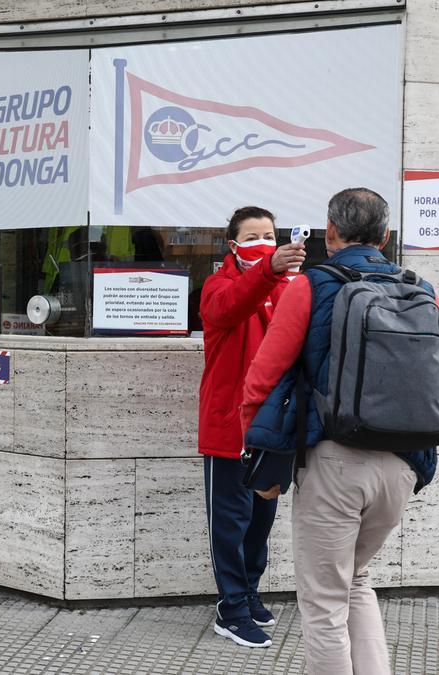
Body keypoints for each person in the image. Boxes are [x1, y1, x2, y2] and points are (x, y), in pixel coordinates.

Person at [240, 188, 439, 674]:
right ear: (386, 237)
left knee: (324, 601)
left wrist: (259, 458)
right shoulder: (421, 289)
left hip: (335, 464)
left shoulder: (311, 286)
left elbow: (262, 378)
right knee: (356, 581)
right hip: (401, 465)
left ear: (330, 231)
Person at [197, 206, 305, 648]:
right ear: (233, 244)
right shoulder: (218, 286)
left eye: (270, 234)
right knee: (230, 522)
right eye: (254, 235)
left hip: (273, 427)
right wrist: (267, 270)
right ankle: (231, 607)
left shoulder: (289, 288)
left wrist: (286, 280)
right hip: (229, 427)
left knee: (262, 519)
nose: (263, 241)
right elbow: (229, 307)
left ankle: (250, 592)